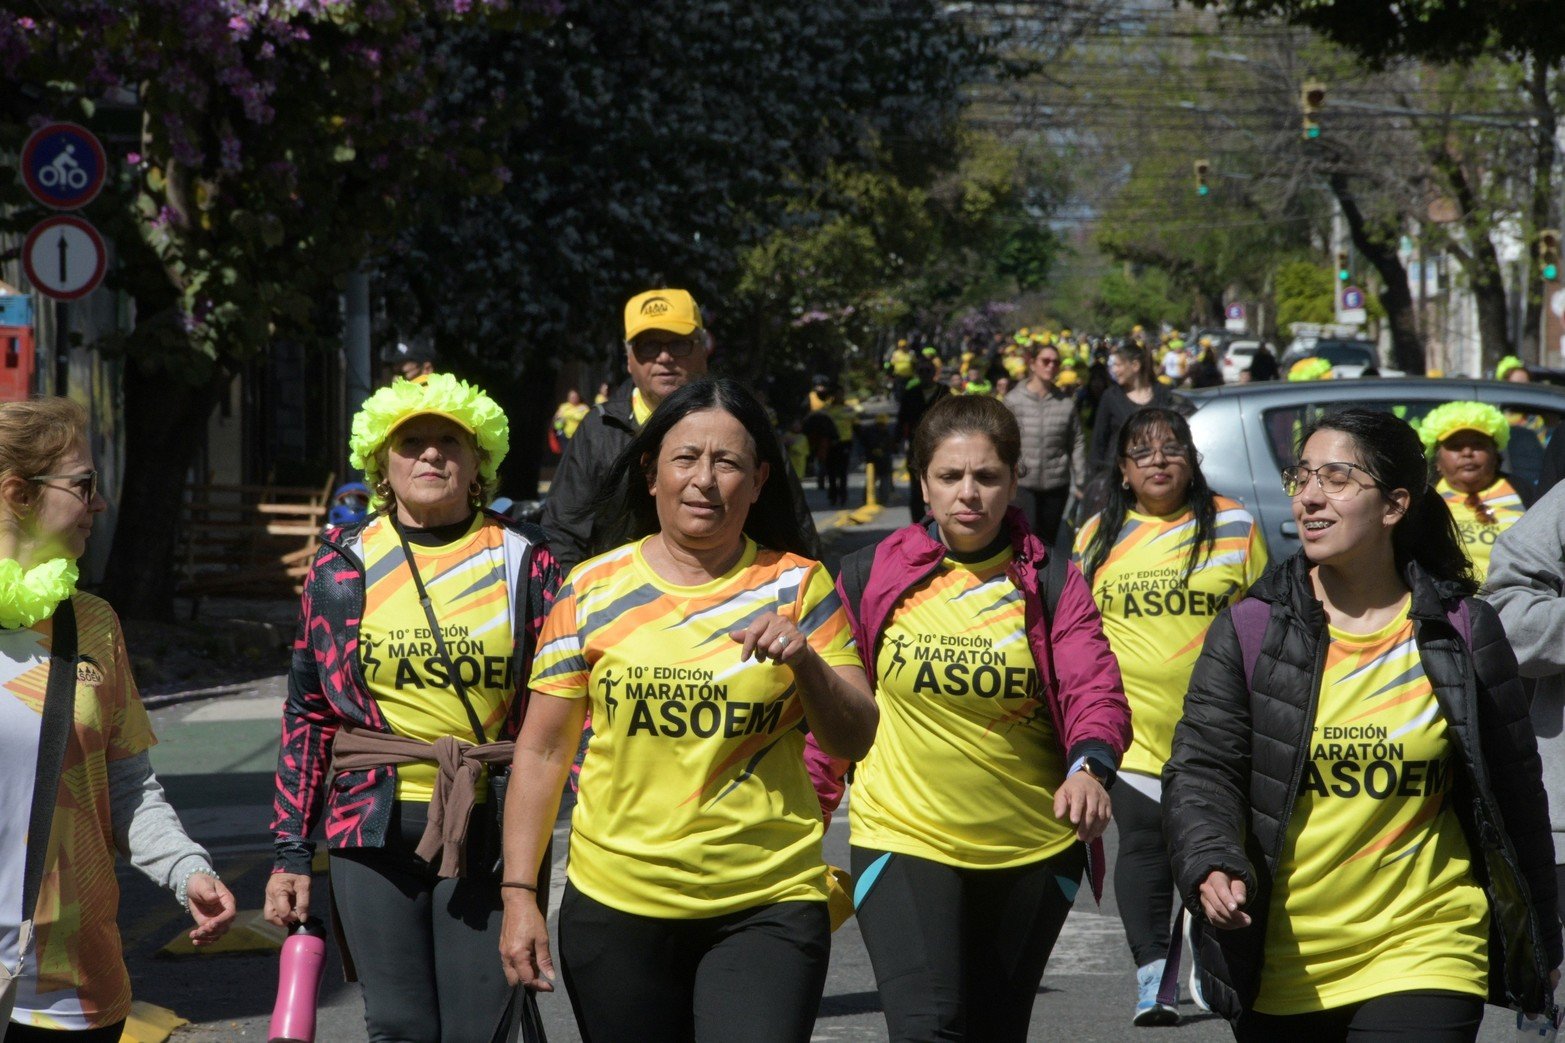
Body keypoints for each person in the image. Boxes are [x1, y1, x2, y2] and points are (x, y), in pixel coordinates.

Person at [1163, 407, 1560, 1040]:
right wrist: (1211, 861)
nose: (1310, 498)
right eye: (1303, 477)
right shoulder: (1250, 630)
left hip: (1428, 945)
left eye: (1338, 478)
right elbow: (1202, 768)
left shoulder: (1462, 631)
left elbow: (1514, 794)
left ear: (1395, 504)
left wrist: (1542, 939)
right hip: (1285, 959)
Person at [499, 378, 876, 1042]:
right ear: (650, 474)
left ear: (758, 480)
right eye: (685, 458)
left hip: (766, 904)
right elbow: (542, 750)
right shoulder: (588, 590)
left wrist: (806, 662)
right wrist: (519, 896)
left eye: (727, 462)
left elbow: (855, 732)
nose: (705, 479)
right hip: (616, 905)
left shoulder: (797, 583)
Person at [821, 392, 1129, 1042]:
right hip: (902, 837)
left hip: (1029, 848)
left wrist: (1088, 766)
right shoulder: (868, 574)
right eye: (950, 476)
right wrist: (800, 826)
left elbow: (1092, 688)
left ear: (1013, 481)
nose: (969, 492)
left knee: (994, 1029)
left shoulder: (1052, 581)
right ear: (922, 482)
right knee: (928, 1027)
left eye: (986, 476)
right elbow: (833, 714)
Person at [264, 374, 563, 1042]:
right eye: (411, 442)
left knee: (478, 1026)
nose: (430, 456)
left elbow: (565, 703)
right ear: (381, 461)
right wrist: (290, 852)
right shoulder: (340, 565)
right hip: (367, 826)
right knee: (397, 1024)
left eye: (448, 441)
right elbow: (308, 714)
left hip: (489, 825)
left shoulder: (528, 559)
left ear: (478, 456)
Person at [1, 398, 236, 1041]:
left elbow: (126, 785)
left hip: (70, 983)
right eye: (84, 485)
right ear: (18, 493)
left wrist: (187, 869)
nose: (100, 504)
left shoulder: (93, 625)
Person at [1073, 407, 1268, 1025]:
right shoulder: (1095, 534)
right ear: (1125, 471)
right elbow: (1074, 632)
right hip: (1129, 729)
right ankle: (1153, 979)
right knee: (1145, 850)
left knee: (1216, 849)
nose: (1158, 460)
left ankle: (1212, 960)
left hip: (1219, 727)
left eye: (1171, 448)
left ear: (1192, 460)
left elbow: (1264, 622)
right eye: (1142, 451)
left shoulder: (1236, 526)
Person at [542, 288, 817, 572]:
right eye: (648, 346)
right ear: (628, 358)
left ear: (703, 348)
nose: (664, 357)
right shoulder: (598, 430)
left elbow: (794, 530)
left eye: (678, 343)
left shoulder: (746, 427)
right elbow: (563, 534)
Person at [1420, 400, 1531, 583]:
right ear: (1437, 461)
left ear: (1496, 455)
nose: (1467, 453)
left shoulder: (1525, 493)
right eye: (1455, 446)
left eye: (1478, 445)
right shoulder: (1424, 498)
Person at [1005, 343, 1086, 545]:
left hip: (1057, 483)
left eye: (1056, 362)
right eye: (1046, 361)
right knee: (1025, 538)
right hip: (1023, 483)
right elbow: (1002, 439)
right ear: (1032, 364)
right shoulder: (1014, 400)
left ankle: (1047, 577)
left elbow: (1076, 441)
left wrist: (1081, 478)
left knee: (1048, 541)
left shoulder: (1065, 403)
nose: (1051, 366)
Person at [1088, 344, 1176, 476]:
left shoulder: (1162, 394)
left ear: (1135, 366)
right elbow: (1099, 441)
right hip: (1118, 476)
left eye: (1118, 365)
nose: (1114, 370)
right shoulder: (1111, 396)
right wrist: (1095, 476)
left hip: (1156, 474)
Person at [897, 359, 951, 522]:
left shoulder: (945, 392)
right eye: (921, 371)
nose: (925, 375)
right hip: (916, 447)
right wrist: (896, 441)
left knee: (941, 483)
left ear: (934, 373)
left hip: (941, 445)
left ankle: (939, 520)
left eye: (928, 371)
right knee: (916, 488)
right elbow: (902, 419)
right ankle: (918, 525)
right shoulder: (910, 393)